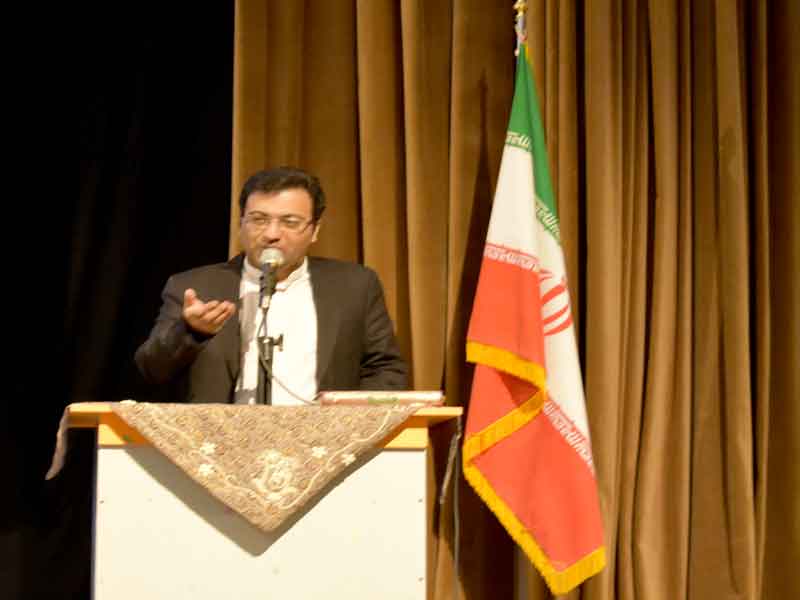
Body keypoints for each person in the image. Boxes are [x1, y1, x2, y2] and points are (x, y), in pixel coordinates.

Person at [135, 167, 408, 404]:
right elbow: (151, 370)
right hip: (218, 440)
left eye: (290, 222)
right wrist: (191, 332)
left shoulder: (355, 285)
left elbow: (385, 370)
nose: (272, 234)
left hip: (326, 440)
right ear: (241, 224)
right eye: (259, 220)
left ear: (314, 230)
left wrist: (351, 425)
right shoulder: (195, 286)